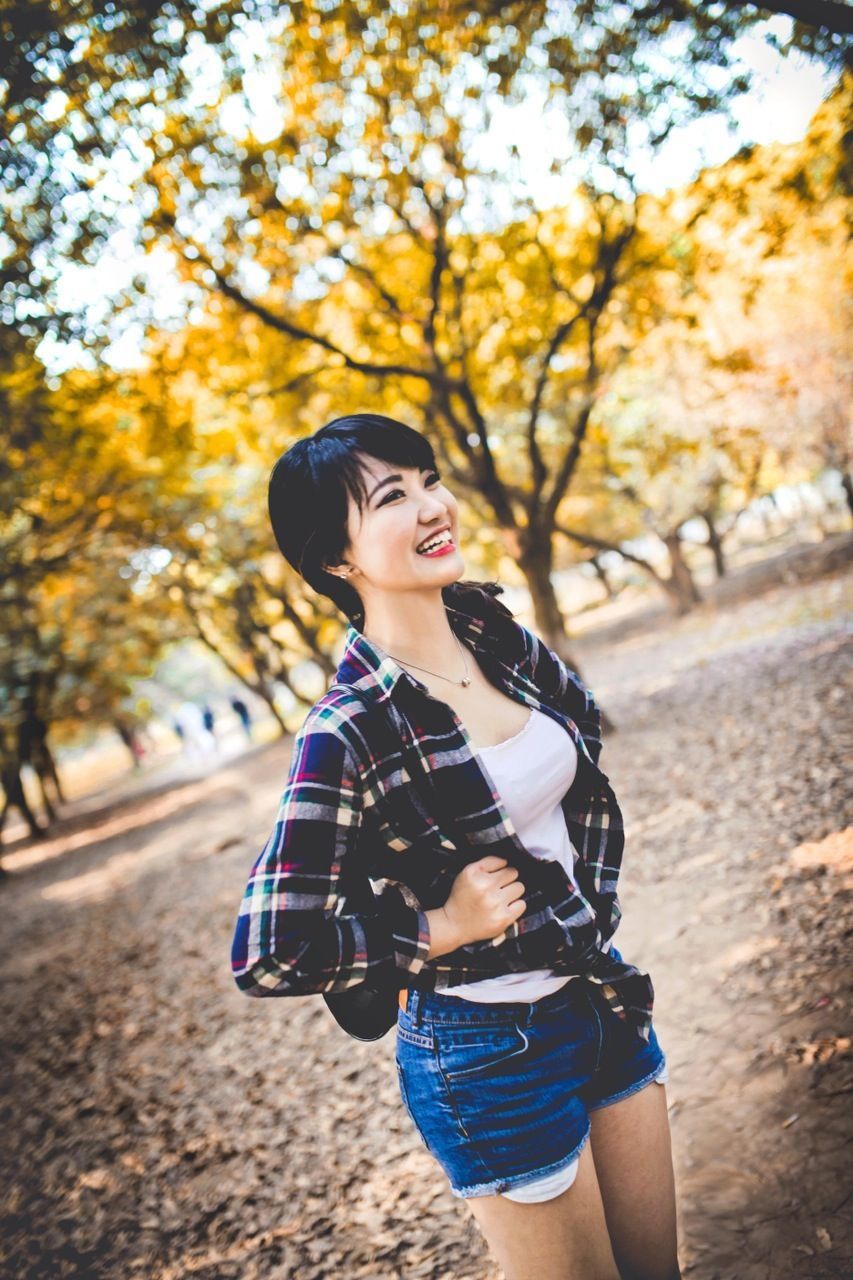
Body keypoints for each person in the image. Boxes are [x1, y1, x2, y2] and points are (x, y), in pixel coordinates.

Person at [230, 413, 680, 1280]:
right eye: (393, 496)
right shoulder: (348, 729)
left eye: (429, 479)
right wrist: (439, 926)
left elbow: (577, 730)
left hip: (600, 995)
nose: (434, 505)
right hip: (486, 1052)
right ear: (336, 558)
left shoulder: (491, 630)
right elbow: (267, 952)